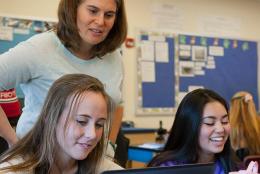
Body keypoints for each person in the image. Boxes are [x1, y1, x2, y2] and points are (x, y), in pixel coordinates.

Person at [0, 0, 127, 147]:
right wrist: (13, 141)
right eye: (92, 11)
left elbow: (117, 105)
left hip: (91, 161)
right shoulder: (39, 49)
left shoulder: (114, 57)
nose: (100, 21)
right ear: (73, 9)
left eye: (109, 15)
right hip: (38, 159)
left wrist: (109, 146)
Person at [0, 74, 122, 173]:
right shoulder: (13, 170)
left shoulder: (104, 168)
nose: (93, 135)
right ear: (51, 118)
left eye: (99, 124)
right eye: (81, 121)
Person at [148, 88, 240, 174]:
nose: (220, 129)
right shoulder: (166, 168)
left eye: (225, 121)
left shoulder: (230, 163)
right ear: (189, 127)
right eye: (209, 122)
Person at [229, 91, 260, 161]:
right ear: (251, 105)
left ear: (233, 106)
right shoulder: (257, 125)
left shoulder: (228, 127)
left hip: (237, 169)